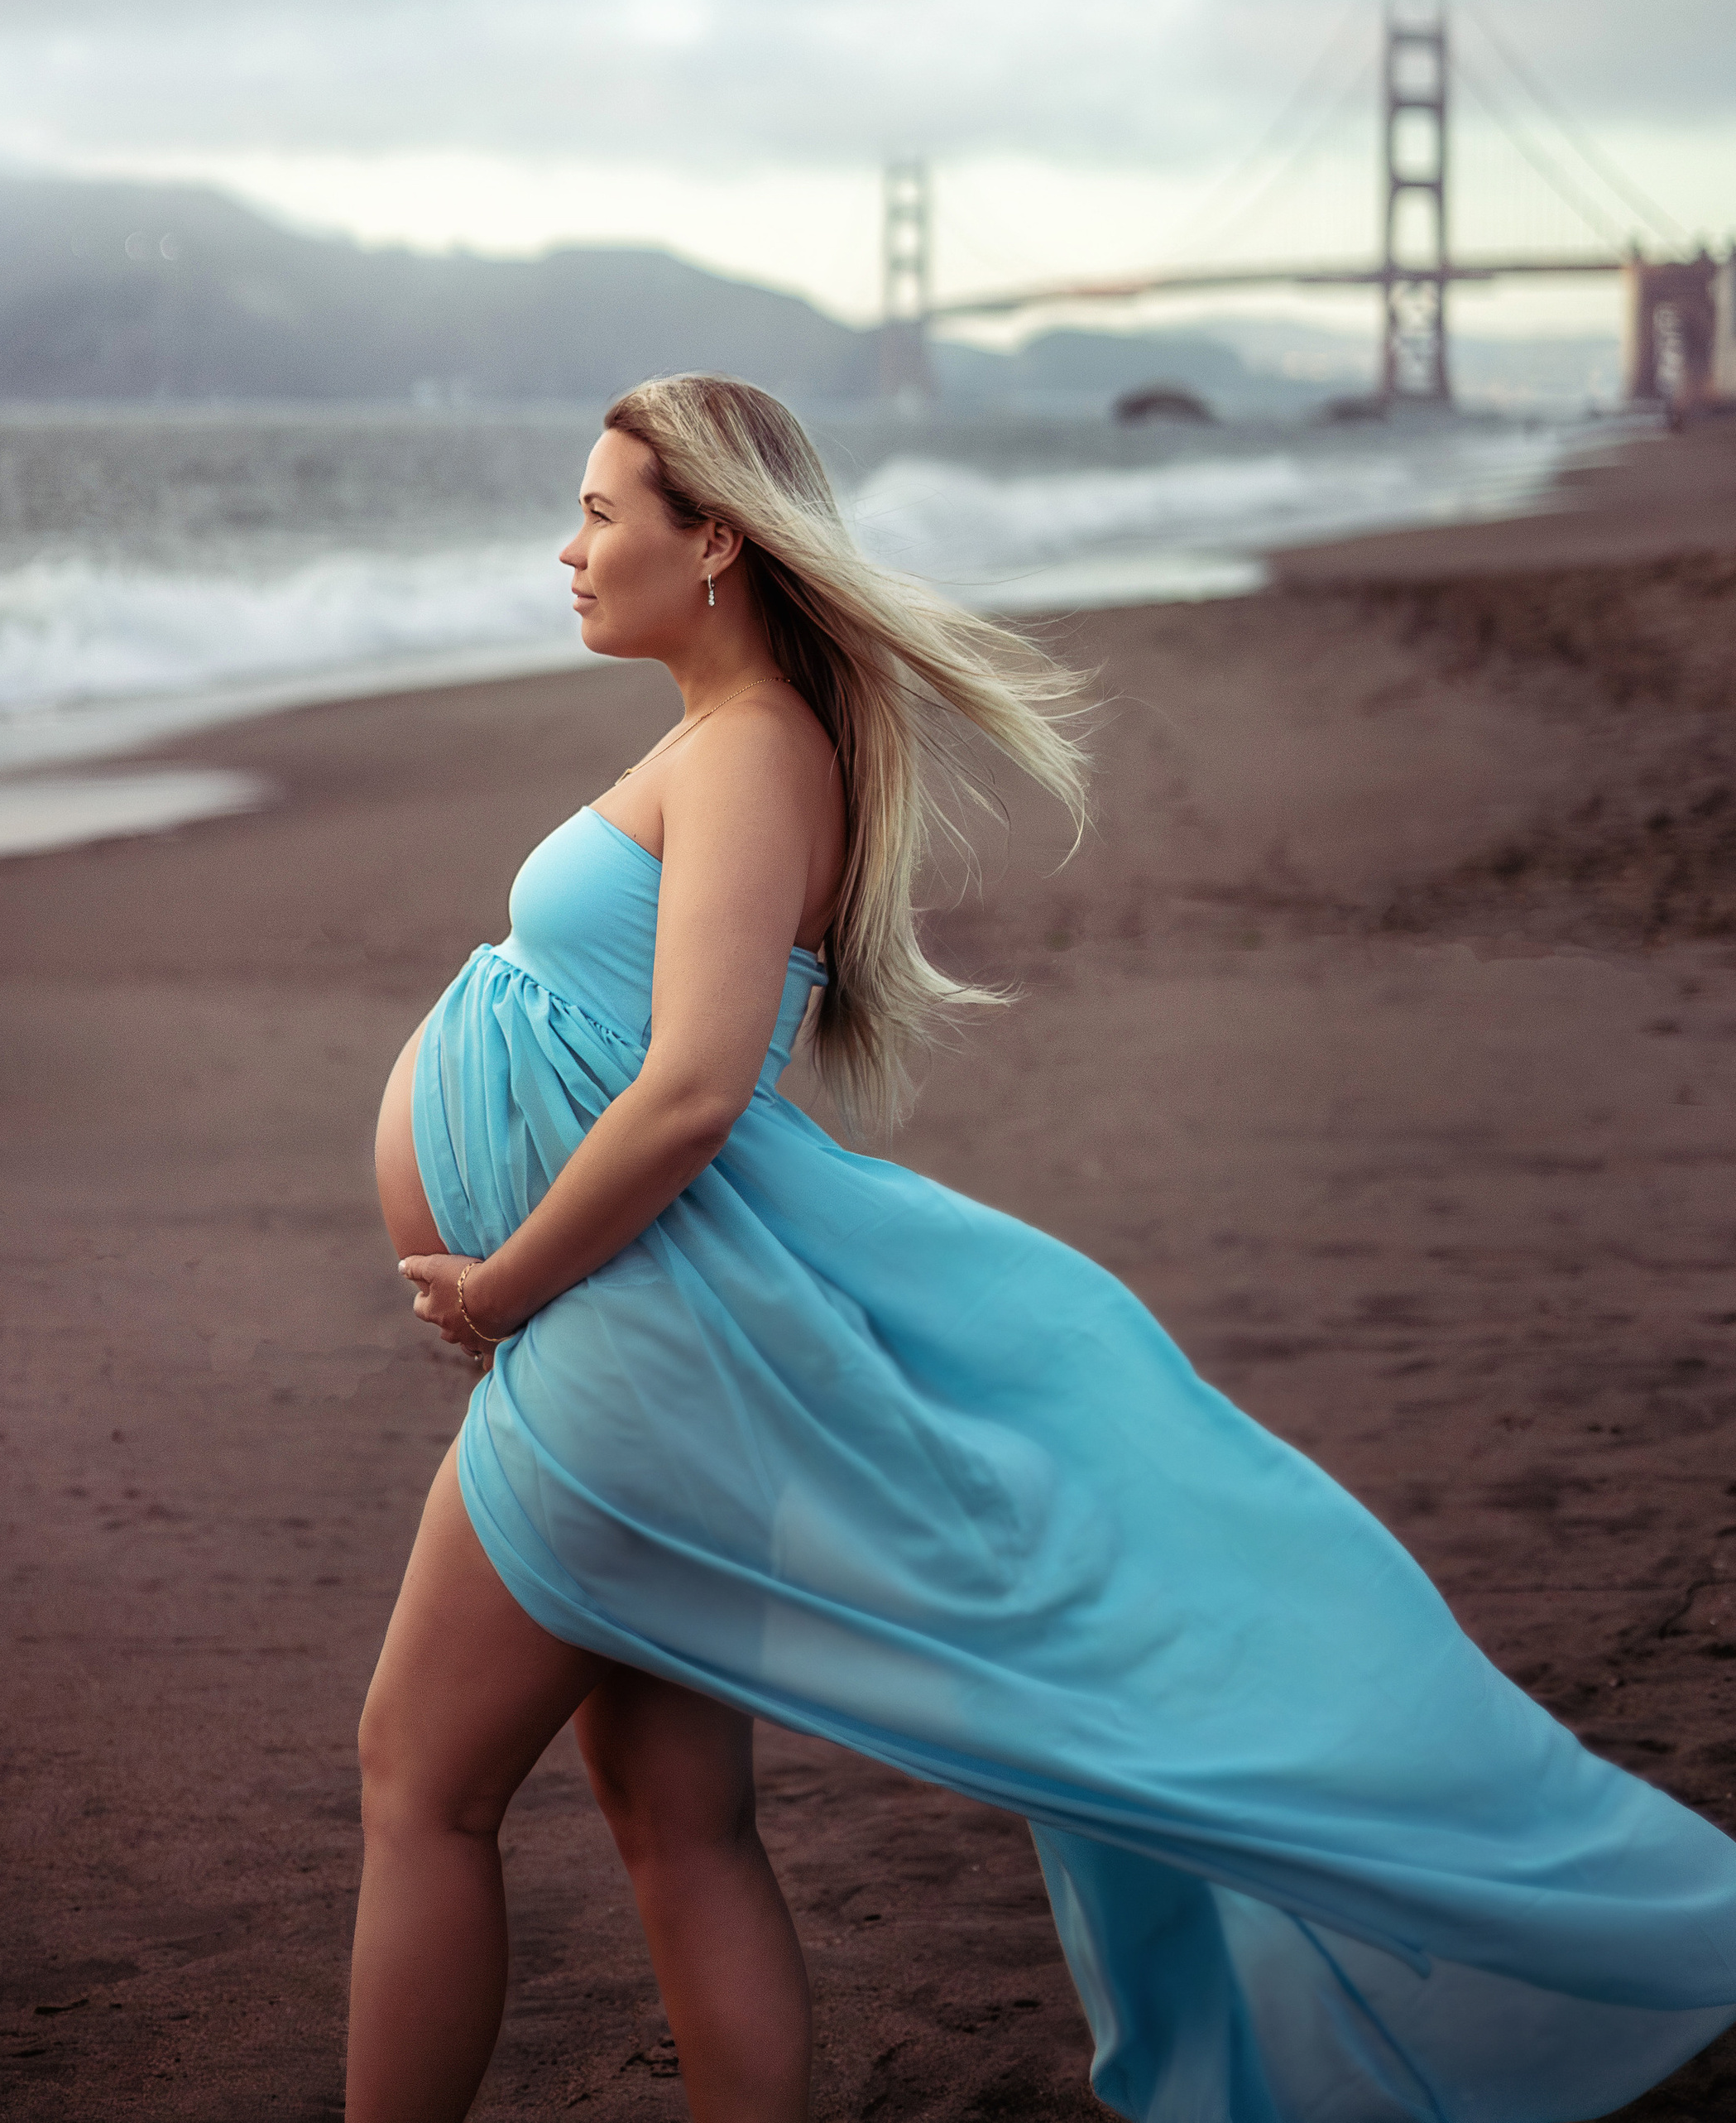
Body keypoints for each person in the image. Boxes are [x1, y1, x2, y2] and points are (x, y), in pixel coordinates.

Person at [352, 374, 1736, 2123]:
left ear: (714, 543)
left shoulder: (756, 749)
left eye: (600, 513)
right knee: (675, 1825)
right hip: (639, 1337)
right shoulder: (721, 740)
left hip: (624, 1342)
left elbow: (692, 1088)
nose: (568, 549)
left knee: (420, 1788)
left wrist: (503, 1282)